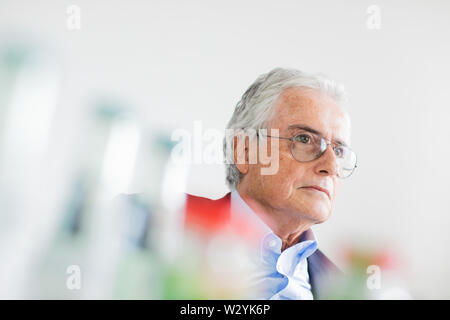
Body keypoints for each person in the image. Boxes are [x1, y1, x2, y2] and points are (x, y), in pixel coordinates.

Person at [185, 67, 357, 299]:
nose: (332, 166)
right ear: (245, 151)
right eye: (304, 139)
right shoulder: (160, 224)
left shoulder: (343, 289)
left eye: (338, 150)